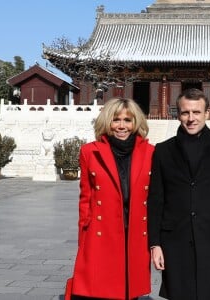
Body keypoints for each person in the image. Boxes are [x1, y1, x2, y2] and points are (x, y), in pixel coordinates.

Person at [147, 88, 210, 300]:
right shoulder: (163, 150)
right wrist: (155, 244)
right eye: (185, 113)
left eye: (197, 112)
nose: (191, 118)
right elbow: (155, 200)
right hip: (175, 239)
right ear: (177, 114)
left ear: (207, 113)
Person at [68, 98, 154, 300]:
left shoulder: (151, 153)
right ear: (107, 122)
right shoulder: (90, 152)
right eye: (116, 120)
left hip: (135, 231)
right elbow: (85, 199)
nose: (122, 126)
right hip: (101, 231)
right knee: (100, 287)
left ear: (136, 123)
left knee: (129, 288)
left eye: (128, 120)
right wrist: (83, 239)